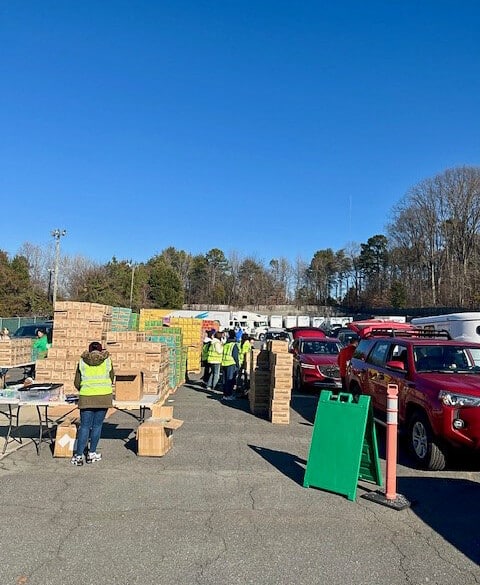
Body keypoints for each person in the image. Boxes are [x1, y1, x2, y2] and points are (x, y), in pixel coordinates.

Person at [71, 341, 114, 466]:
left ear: (89, 351)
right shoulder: (107, 361)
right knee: (97, 426)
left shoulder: (82, 361)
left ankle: (78, 456)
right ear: (101, 351)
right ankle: (92, 453)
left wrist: (84, 389)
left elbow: (77, 381)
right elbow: (112, 377)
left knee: (84, 426)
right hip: (103, 396)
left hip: (87, 397)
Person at [221, 330, 240, 401]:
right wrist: (238, 365)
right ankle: (229, 395)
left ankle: (225, 394)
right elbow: (235, 356)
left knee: (224, 380)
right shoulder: (234, 345)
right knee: (230, 380)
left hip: (224, 363)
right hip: (231, 363)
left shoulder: (226, 344)